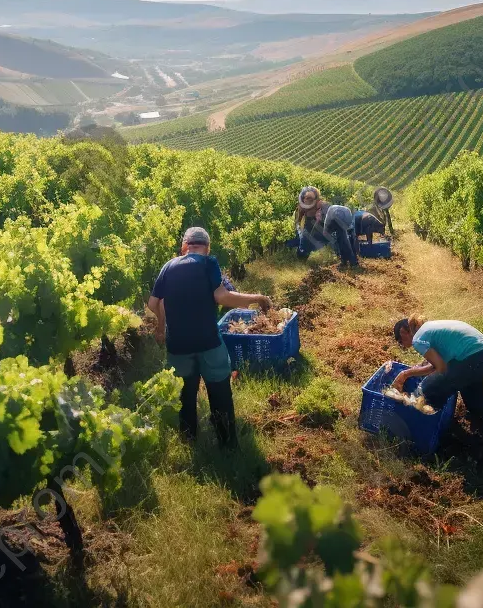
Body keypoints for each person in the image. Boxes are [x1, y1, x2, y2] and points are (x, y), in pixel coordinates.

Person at [147, 226, 272, 448]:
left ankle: (188, 440)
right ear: (207, 247)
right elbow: (221, 296)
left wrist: (162, 326)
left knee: (185, 395)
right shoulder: (208, 263)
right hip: (208, 343)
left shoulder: (168, 266)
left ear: (184, 246)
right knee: (219, 393)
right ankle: (226, 443)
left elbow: (154, 303)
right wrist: (257, 298)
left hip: (177, 346)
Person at [391, 315, 483, 432]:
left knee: (428, 389)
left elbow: (439, 368)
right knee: (468, 385)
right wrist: (417, 369)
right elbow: (438, 361)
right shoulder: (429, 328)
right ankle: (479, 427)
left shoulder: (417, 339)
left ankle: (426, 428)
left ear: (404, 332)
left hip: (471, 357)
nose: (402, 346)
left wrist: (406, 374)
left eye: (400, 341)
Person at [295, 188, 359, 268]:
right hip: (310, 229)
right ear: (303, 198)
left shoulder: (323, 205)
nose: (308, 200)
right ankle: (301, 259)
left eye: (311, 198)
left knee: (341, 237)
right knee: (304, 248)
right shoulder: (302, 207)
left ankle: (347, 261)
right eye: (306, 198)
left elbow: (330, 219)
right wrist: (299, 232)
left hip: (324, 228)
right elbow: (298, 221)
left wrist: (321, 219)